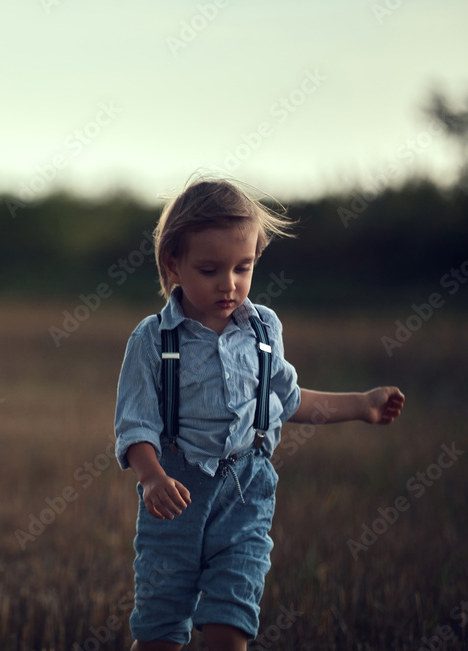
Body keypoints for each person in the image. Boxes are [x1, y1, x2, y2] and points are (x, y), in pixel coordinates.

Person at [113, 178, 404, 651]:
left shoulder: (264, 329)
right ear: (174, 264)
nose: (229, 284)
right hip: (176, 496)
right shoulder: (152, 339)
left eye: (242, 268)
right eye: (210, 270)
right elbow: (135, 425)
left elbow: (289, 401)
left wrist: (361, 405)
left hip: (247, 494)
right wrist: (151, 478)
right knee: (160, 627)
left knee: (233, 617)